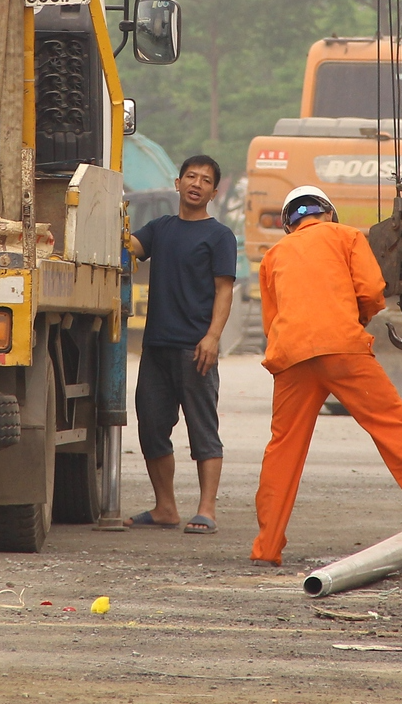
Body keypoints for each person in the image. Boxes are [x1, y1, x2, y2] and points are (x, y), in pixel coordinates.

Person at [250, 184, 402, 566]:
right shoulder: (346, 236)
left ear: (288, 223)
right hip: (343, 350)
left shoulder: (274, 254)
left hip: (292, 358)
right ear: (328, 212)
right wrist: (355, 318)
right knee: (394, 429)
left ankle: (266, 547)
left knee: (283, 450)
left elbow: (272, 319)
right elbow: (370, 290)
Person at [125, 153, 239, 534]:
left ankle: (206, 510)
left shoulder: (220, 236)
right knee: (152, 427)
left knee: (202, 428)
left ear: (214, 191)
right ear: (177, 184)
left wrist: (212, 337)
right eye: (190, 176)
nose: (196, 184)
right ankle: (165, 508)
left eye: (205, 180)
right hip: (156, 347)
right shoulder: (160, 228)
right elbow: (129, 248)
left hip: (196, 348)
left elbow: (224, 292)